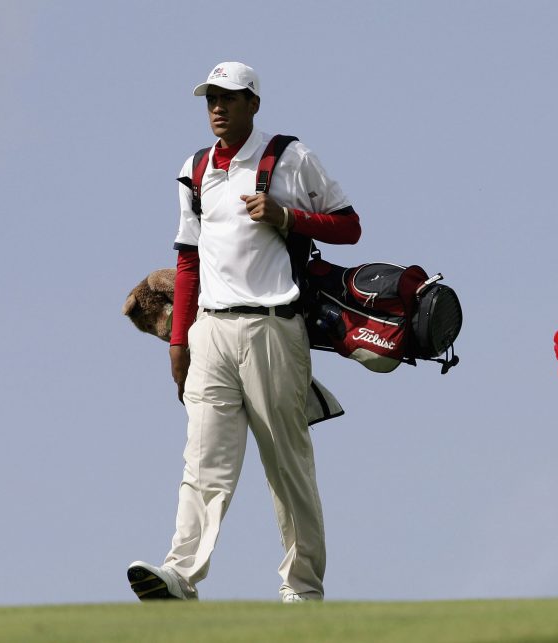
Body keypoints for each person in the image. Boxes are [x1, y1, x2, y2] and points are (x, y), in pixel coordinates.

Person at [128, 61, 361, 603]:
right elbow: (187, 261)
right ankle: (180, 575)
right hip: (210, 330)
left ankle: (302, 588)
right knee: (203, 461)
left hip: (274, 328)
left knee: (288, 466)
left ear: (252, 103)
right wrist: (180, 340)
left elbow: (349, 225)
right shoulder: (194, 167)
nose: (217, 107)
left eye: (229, 97)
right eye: (210, 97)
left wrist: (287, 217)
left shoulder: (292, 157)